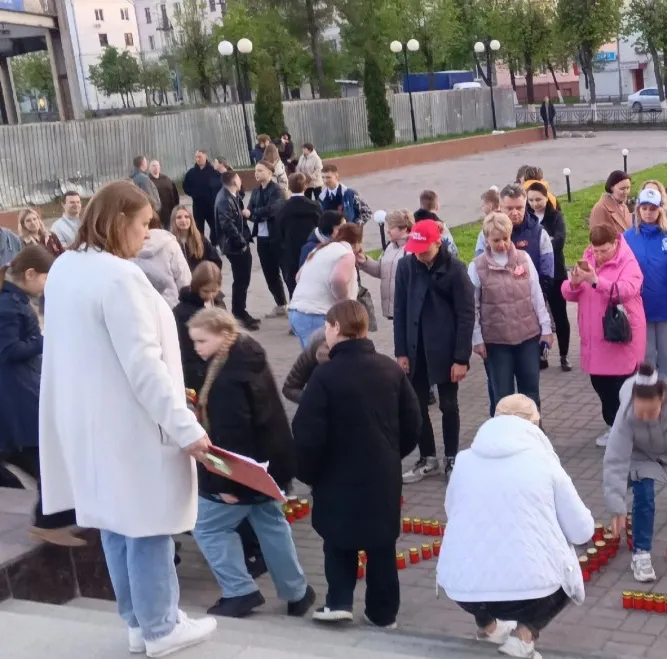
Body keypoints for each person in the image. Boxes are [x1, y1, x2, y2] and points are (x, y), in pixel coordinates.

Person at [39, 180, 219, 655]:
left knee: (115, 522)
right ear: (119, 221)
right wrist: (185, 427)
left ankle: (138, 622)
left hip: (90, 421)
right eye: (142, 224)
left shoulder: (66, 268)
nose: (146, 234)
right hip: (132, 423)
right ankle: (162, 626)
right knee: (148, 523)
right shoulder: (119, 278)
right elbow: (145, 366)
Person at [293, 300, 422, 626]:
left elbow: (307, 433)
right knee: (382, 546)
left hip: (336, 475)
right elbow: (414, 422)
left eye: (327, 326)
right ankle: (383, 614)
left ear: (336, 327)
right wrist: (392, 453)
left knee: (338, 541)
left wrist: (308, 472)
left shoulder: (324, 376)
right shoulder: (390, 369)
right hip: (382, 474)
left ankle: (339, 601)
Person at [437, 394, 593, 659]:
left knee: (478, 561)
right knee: (567, 573)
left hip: (463, 589)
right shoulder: (545, 463)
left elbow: (451, 510)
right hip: (529, 593)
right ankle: (523, 638)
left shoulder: (463, 460)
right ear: (534, 425)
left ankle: (488, 627)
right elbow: (582, 531)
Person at [185, 308, 315, 619]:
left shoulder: (227, 377)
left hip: (245, 472)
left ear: (222, 335)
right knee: (270, 524)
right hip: (270, 465)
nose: (196, 348)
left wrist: (227, 485)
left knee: (207, 527)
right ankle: (297, 591)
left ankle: (239, 591)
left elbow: (234, 435)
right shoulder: (247, 355)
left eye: (202, 341)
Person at [0, 245, 83, 547]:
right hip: (18, 396)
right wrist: (45, 339)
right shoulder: (8, 306)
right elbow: (8, 351)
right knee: (45, 457)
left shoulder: (15, 301)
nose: (47, 288)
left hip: (22, 391)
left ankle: (55, 519)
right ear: (30, 274)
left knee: (46, 458)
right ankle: (49, 522)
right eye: (47, 280)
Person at [603, 363, 667, 582]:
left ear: (662, 399)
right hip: (641, 457)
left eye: (651, 411)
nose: (646, 417)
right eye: (641, 412)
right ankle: (641, 554)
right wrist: (616, 507)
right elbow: (615, 460)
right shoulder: (625, 416)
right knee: (644, 498)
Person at [395, 220, 474, 482]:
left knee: (448, 405)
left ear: (438, 242)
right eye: (415, 250)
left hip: (446, 350)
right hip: (414, 348)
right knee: (416, 405)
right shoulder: (406, 267)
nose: (419, 255)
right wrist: (401, 352)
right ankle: (428, 457)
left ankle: (452, 457)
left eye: (424, 250)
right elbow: (400, 310)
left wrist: (461, 358)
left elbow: (466, 315)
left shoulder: (455, 270)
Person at [563, 224, 646, 446]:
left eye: (604, 250)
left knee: (620, 387)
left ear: (615, 244)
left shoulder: (627, 262)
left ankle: (627, 431)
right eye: (595, 250)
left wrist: (596, 281)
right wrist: (573, 283)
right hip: (594, 336)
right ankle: (614, 426)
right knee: (600, 383)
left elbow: (627, 290)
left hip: (619, 335)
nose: (598, 255)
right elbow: (569, 294)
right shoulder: (587, 259)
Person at [470, 212, 553, 414]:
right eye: (496, 240)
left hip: (527, 338)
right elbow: (473, 307)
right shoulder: (476, 267)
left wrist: (546, 328)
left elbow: (536, 295)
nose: (502, 244)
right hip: (496, 343)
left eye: (505, 238)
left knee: (531, 396)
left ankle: (534, 431)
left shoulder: (523, 259)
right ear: (486, 239)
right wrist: (477, 339)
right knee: (503, 398)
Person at [625, 188, 667, 384]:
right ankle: (648, 393)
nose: (648, 212)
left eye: (653, 208)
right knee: (646, 355)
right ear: (638, 210)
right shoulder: (628, 237)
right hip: (640, 306)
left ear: (660, 209)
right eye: (644, 208)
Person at [288, 223, 362, 349]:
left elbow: (298, 277)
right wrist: (345, 303)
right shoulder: (345, 254)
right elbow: (338, 280)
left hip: (297, 311)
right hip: (319, 314)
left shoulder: (318, 249)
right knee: (325, 356)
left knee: (310, 356)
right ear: (356, 242)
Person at [526, 182, 571, 371]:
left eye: (539, 199)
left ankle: (564, 355)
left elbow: (559, 240)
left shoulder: (555, 217)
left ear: (547, 198)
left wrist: (540, 245)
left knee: (559, 315)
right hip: (533, 275)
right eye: (531, 200)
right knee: (537, 315)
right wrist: (544, 243)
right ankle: (541, 354)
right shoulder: (526, 218)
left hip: (556, 273)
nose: (535, 203)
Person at [215, 170, 259, 331]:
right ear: (234, 182)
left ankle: (241, 311)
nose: (241, 181)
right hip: (235, 247)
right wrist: (241, 243)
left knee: (242, 280)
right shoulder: (224, 199)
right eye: (239, 179)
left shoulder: (232, 195)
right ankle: (239, 314)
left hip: (238, 244)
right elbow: (227, 224)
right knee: (241, 280)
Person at [174, 261, 226, 391]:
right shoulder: (184, 312)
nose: (210, 295)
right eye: (205, 291)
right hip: (196, 370)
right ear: (196, 287)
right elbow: (186, 349)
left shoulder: (218, 304)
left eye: (214, 291)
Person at [247, 162, 288, 317]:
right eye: (255, 171)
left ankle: (296, 304)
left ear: (270, 172)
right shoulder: (256, 191)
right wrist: (254, 214)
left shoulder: (277, 190)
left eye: (260, 170)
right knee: (270, 273)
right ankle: (281, 304)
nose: (256, 173)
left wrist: (254, 213)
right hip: (262, 238)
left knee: (286, 272)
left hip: (277, 237)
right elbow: (249, 211)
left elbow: (272, 210)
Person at [358, 209, 412, 321]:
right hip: (394, 310)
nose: (388, 231)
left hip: (407, 309)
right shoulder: (390, 247)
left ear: (404, 228)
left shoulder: (413, 249)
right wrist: (365, 261)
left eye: (391, 227)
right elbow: (381, 271)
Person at [276, 173, 322, 296]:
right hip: (312, 250)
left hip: (290, 251)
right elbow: (321, 227)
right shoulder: (314, 206)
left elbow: (278, 230)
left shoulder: (282, 207)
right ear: (306, 186)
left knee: (294, 287)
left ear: (289, 187)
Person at [134, 214, 192, 309]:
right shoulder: (170, 244)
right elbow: (184, 278)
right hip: (171, 305)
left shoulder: (127, 248)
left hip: (141, 306)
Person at [183, 151, 223, 244]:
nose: (198, 159)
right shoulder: (191, 173)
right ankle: (201, 246)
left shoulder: (213, 171)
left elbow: (220, 185)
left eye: (200, 157)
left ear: (205, 157)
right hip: (198, 206)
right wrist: (193, 193)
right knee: (198, 228)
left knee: (214, 227)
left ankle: (214, 245)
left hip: (211, 206)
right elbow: (185, 186)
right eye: (196, 157)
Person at [170, 205, 221, 272]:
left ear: (191, 219)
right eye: (179, 217)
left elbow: (216, 261)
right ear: (174, 220)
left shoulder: (201, 239)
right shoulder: (169, 242)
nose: (183, 220)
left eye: (187, 217)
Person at [589, 170, 633, 237]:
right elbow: (597, 238)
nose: (626, 192)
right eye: (622, 189)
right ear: (611, 188)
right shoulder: (600, 208)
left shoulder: (623, 206)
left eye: (628, 188)